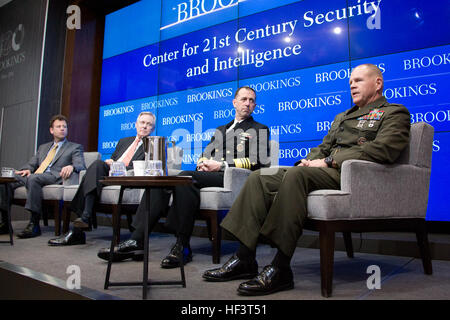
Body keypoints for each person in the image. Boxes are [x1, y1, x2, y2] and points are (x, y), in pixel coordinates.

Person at [201, 64, 411, 296]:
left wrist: (329, 161)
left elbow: (384, 150)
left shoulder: (394, 112)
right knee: (261, 177)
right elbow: (323, 147)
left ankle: (281, 267)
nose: (351, 85)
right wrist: (308, 161)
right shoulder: (343, 116)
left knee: (295, 176)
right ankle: (244, 257)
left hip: (351, 175)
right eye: (351, 81)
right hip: (323, 170)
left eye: (359, 80)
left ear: (378, 83)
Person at [97, 86, 271, 268]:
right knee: (164, 181)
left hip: (231, 176)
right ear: (234, 103)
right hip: (210, 174)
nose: (248, 103)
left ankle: (181, 244)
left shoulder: (259, 128)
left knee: (184, 176)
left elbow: (257, 161)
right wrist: (202, 163)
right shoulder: (221, 129)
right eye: (244, 99)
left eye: (252, 100)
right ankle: (137, 240)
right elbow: (206, 153)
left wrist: (220, 165)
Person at [47, 111, 156, 246]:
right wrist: (111, 162)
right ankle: (84, 220)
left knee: (93, 173)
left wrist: (118, 166)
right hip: (110, 173)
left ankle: (80, 226)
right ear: (136, 124)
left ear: (153, 128)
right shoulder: (124, 141)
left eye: (149, 124)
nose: (145, 126)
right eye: (142, 122)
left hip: (127, 177)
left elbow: (145, 168)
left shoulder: (152, 145)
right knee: (98, 165)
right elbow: (114, 158)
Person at [0, 115, 85, 238]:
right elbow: (32, 163)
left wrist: (71, 166)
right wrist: (27, 170)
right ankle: (5, 222)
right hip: (37, 176)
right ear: (51, 130)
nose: (62, 129)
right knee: (6, 179)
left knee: (34, 178)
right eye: (59, 126)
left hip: (55, 176)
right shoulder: (43, 147)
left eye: (64, 126)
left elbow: (80, 165)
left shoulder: (74, 147)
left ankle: (34, 224)